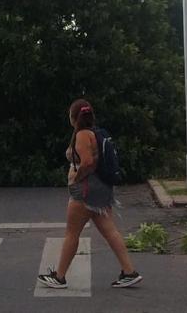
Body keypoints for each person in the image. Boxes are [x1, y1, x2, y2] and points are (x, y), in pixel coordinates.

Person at [37, 99, 142, 289]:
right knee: (110, 231)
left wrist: (76, 177)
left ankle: (59, 277)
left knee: (72, 234)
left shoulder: (83, 135)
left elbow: (87, 162)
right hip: (101, 190)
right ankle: (129, 271)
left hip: (85, 193)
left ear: (74, 118)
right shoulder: (95, 133)